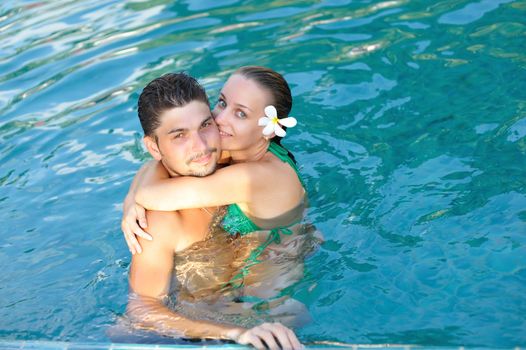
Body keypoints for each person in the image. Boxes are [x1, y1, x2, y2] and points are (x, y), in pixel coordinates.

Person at [123, 72, 303, 349]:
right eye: (179, 135)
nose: (203, 144)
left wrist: (133, 199)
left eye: (205, 124)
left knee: (292, 317)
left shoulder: (240, 170)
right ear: (154, 147)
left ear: (267, 128)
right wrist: (232, 333)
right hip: (227, 304)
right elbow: (141, 311)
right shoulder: (158, 223)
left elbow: (153, 180)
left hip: (269, 285)